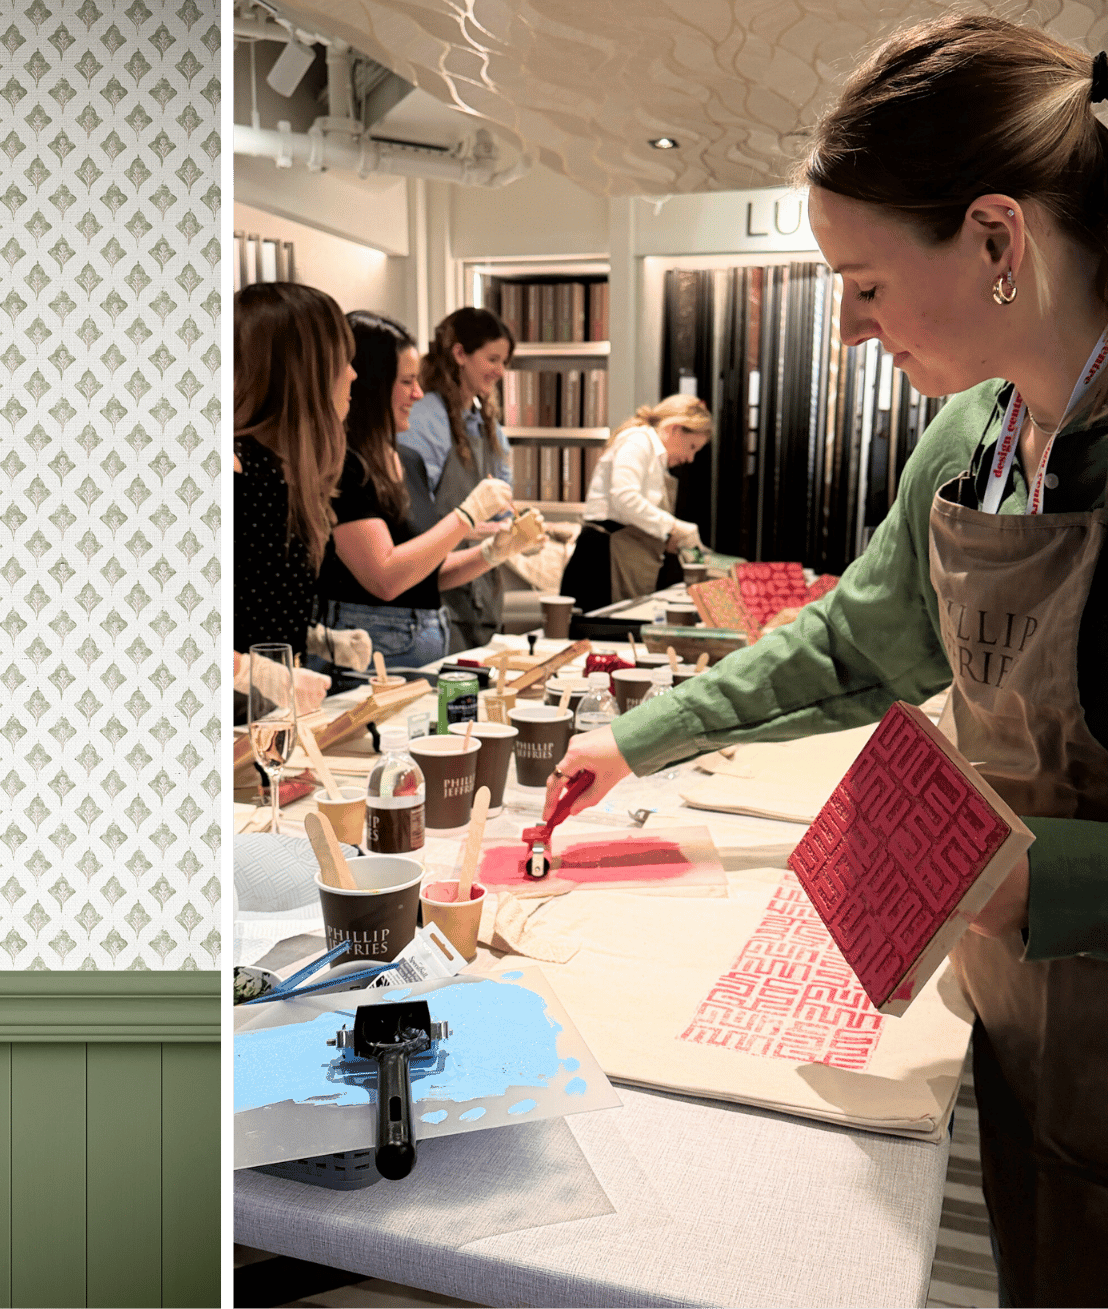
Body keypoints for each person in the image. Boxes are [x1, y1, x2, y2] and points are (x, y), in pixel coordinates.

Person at [547, 16, 1108, 1305]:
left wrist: (1048, 880)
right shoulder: (975, 433)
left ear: (995, 239)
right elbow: (858, 641)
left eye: (863, 284)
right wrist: (630, 739)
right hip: (1024, 1023)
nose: (849, 333)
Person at [315, 311, 545, 669]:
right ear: (372, 385)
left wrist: (492, 553)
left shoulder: (407, 460)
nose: (418, 394)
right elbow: (385, 578)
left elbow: (423, 571)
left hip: (422, 647)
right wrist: (467, 516)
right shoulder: (343, 465)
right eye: (406, 382)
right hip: (366, 657)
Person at [229, 281, 354, 715]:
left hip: (268, 719)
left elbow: (255, 604)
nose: (353, 375)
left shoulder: (286, 470)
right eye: (344, 361)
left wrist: (319, 639)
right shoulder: (236, 471)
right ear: (307, 371)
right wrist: (257, 672)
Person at [397, 307, 518, 653]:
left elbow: (503, 503)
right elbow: (412, 516)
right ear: (460, 353)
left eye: (504, 361)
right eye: (492, 358)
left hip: (481, 593)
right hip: (439, 597)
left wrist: (507, 525)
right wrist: (470, 526)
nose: (500, 370)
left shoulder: (488, 426)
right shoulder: (425, 421)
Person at [558, 396, 710, 613]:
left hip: (622, 554)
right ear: (676, 428)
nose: (690, 458)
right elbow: (624, 497)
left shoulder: (655, 456)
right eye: (692, 446)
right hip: (602, 560)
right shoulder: (637, 441)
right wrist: (673, 526)